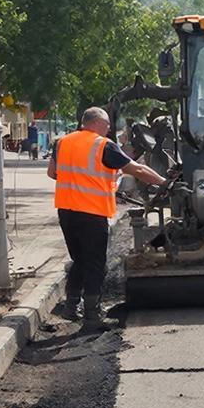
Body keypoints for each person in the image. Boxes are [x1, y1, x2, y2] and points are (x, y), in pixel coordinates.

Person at [49, 106, 168, 332]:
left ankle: (70, 308)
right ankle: (92, 317)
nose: (109, 128)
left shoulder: (62, 142)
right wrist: (164, 183)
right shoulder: (102, 145)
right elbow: (137, 170)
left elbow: (52, 173)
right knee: (95, 264)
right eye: (107, 124)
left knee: (79, 259)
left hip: (66, 211)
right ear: (96, 123)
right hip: (92, 212)